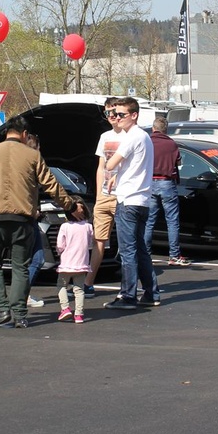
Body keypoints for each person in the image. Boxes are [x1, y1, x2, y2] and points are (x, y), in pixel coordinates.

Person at [0, 116, 80, 329]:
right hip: (23, 219)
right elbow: (51, 184)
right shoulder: (33, 155)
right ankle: (19, 314)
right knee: (21, 266)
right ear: (25, 134)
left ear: (6, 132)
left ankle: (0, 309)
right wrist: (71, 206)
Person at [102, 97, 159, 310]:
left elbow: (111, 163)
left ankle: (128, 296)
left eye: (121, 115)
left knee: (128, 251)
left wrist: (113, 168)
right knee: (140, 249)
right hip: (142, 200)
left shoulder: (132, 136)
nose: (116, 118)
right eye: (114, 114)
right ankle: (151, 293)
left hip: (128, 200)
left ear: (134, 115)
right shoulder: (144, 136)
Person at [83, 97, 122, 299]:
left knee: (129, 241)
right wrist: (99, 196)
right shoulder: (105, 136)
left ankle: (133, 286)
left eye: (115, 112)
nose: (112, 117)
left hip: (123, 196)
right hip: (105, 196)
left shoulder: (130, 135)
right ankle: (88, 283)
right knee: (99, 240)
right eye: (108, 113)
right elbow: (100, 167)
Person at [144, 116, 190, 267]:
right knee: (172, 221)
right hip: (166, 182)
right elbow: (179, 162)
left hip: (150, 182)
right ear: (166, 129)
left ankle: (146, 254)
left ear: (153, 128)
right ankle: (174, 255)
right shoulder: (171, 144)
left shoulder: (147, 141)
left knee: (149, 221)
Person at [55, 201, 93, 323]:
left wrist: (59, 252)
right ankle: (79, 315)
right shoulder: (88, 227)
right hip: (82, 264)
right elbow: (90, 243)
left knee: (61, 285)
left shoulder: (65, 227)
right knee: (79, 289)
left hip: (66, 264)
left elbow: (60, 245)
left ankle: (65, 309)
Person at [24, 133, 46, 308]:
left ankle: (22, 295)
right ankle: (22, 296)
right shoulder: (32, 167)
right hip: (28, 220)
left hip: (28, 218)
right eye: (38, 147)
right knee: (36, 259)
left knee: (33, 259)